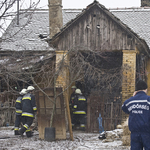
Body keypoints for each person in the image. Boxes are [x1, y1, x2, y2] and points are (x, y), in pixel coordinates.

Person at [122, 80, 150, 150]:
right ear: (146, 89)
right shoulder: (148, 100)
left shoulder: (130, 101)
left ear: (136, 90)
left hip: (135, 132)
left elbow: (124, 108)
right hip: (147, 132)